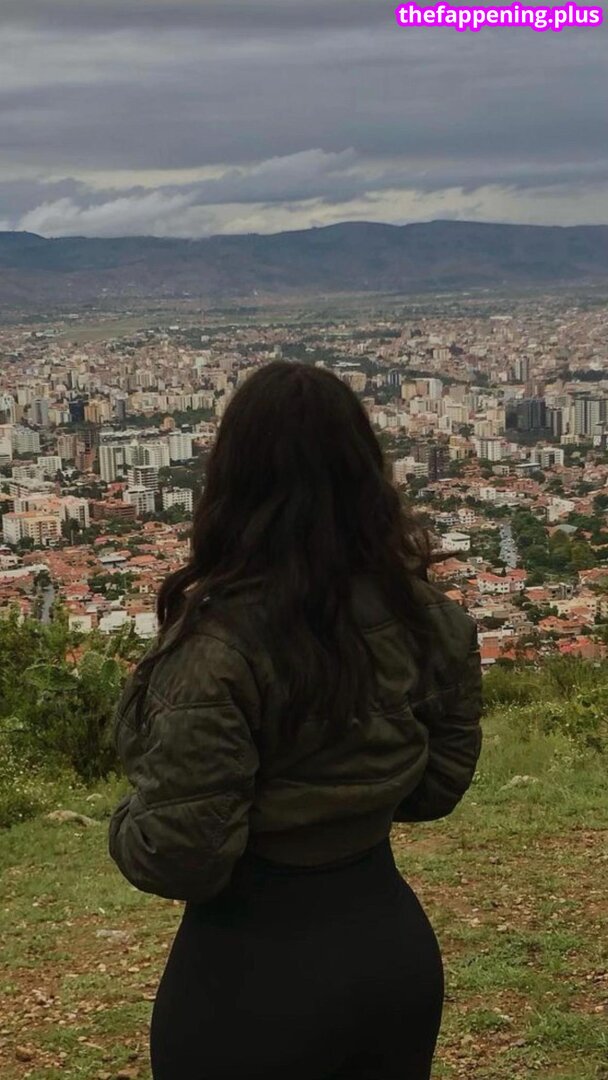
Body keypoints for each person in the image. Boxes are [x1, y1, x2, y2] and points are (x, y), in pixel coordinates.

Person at [109, 360, 483, 1080]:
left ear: (232, 482)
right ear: (365, 474)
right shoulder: (430, 618)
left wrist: (125, 821)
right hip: (390, 954)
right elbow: (437, 786)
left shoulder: (216, 649)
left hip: (249, 981)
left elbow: (180, 853)